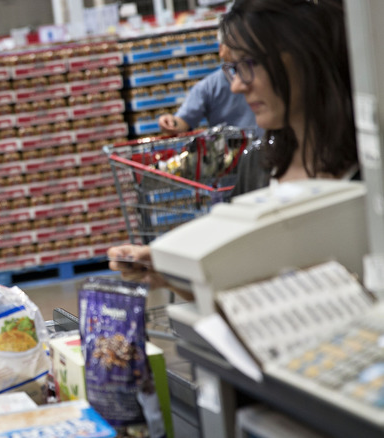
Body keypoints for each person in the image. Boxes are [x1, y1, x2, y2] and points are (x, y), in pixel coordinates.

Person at [109, 0, 358, 299]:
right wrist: (168, 274)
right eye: (233, 70)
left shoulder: (365, 170)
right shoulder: (259, 164)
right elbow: (241, 288)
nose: (237, 86)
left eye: (248, 66)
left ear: (303, 58)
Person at [157, 39, 258, 135]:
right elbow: (183, 121)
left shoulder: (263, 77)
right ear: (221, 49)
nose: (236, 87)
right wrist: (171, 122)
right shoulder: (209, 86)